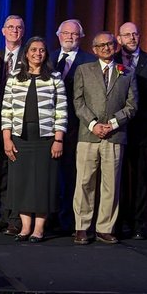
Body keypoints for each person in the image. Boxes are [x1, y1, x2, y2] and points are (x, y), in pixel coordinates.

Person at [73, 31, 137, 245]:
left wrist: (113, 124)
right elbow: (78, 101)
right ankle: (82, 227)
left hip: (115, 135)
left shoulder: (127, 71)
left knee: (111, 184)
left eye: (109, 44)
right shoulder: (83, 70)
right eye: (101, 46)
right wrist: (93, 124)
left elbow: (132, 105)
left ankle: (105, 228)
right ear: (94, 49)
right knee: (84, 182)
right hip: (88, 135)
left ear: (116, 46)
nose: (106, 48)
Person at [1, 36, 67, 242]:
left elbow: (62, 110)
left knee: (43, 183)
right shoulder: (14, 77)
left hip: (46, 138)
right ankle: (25, 227)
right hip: (20, 137)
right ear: (26, 53)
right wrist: (7, 138)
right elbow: (6, 110)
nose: (38, 53)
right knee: (21, 182)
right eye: (34, 50)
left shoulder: (54, 77)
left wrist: (58, 139)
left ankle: (39, 228)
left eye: (42, 50)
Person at [115, 22, 147, 239]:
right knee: (117, 177)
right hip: (116, 127)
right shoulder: (111, 59)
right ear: (119, 39)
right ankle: (118, 222)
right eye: (127, 35)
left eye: (135, 34)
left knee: (139, 177)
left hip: (143, 128)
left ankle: (138, 224)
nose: (132, 38)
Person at [50, 19, 96, 233]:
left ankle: (67, 220)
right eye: (65, 33)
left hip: (78, 128)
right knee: (49, 175)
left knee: (71, 175)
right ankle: (48, 216)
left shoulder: (90, 61)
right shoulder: (46, 56)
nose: (69, 37)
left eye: (74, 34)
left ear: (81, 37)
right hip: (47, 127)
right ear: (58, 35)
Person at [0, 15, 25, 235]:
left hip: (19, 124)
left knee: (17, 172)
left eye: (18, 28)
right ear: (3, 31)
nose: (14, 31)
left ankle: (16, 219)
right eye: (10, 27)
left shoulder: (30, 57)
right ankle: (0, 216)